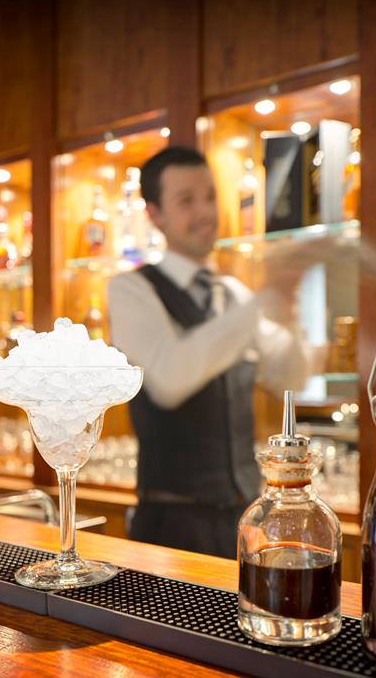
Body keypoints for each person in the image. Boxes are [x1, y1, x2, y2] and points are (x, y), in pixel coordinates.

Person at [108, 146, 309, 559]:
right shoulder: (132, 290)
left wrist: (290, 308)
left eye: (210, 197)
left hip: (244, 516)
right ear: (155, 214)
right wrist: (261, 304)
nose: (205, 212)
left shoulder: (233, 295)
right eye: (186, 200)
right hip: (170, 523)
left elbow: (290, 377)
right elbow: (169, 380)